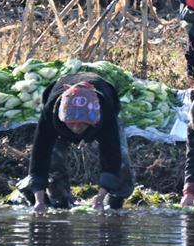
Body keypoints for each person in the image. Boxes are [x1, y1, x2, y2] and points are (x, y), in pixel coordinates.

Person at [25, 72, 134, 213]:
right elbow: (39, 157)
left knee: (122, 159)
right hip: (60, 123)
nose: (77, 130)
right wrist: (39, 201)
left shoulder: (105, 112)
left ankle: (115, 201)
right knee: (52, 157)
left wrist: (100, 198)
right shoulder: (50, 114)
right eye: (73, 125)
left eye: (81, 125)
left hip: (102, 113)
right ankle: (60, 200)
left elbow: (111, 157)